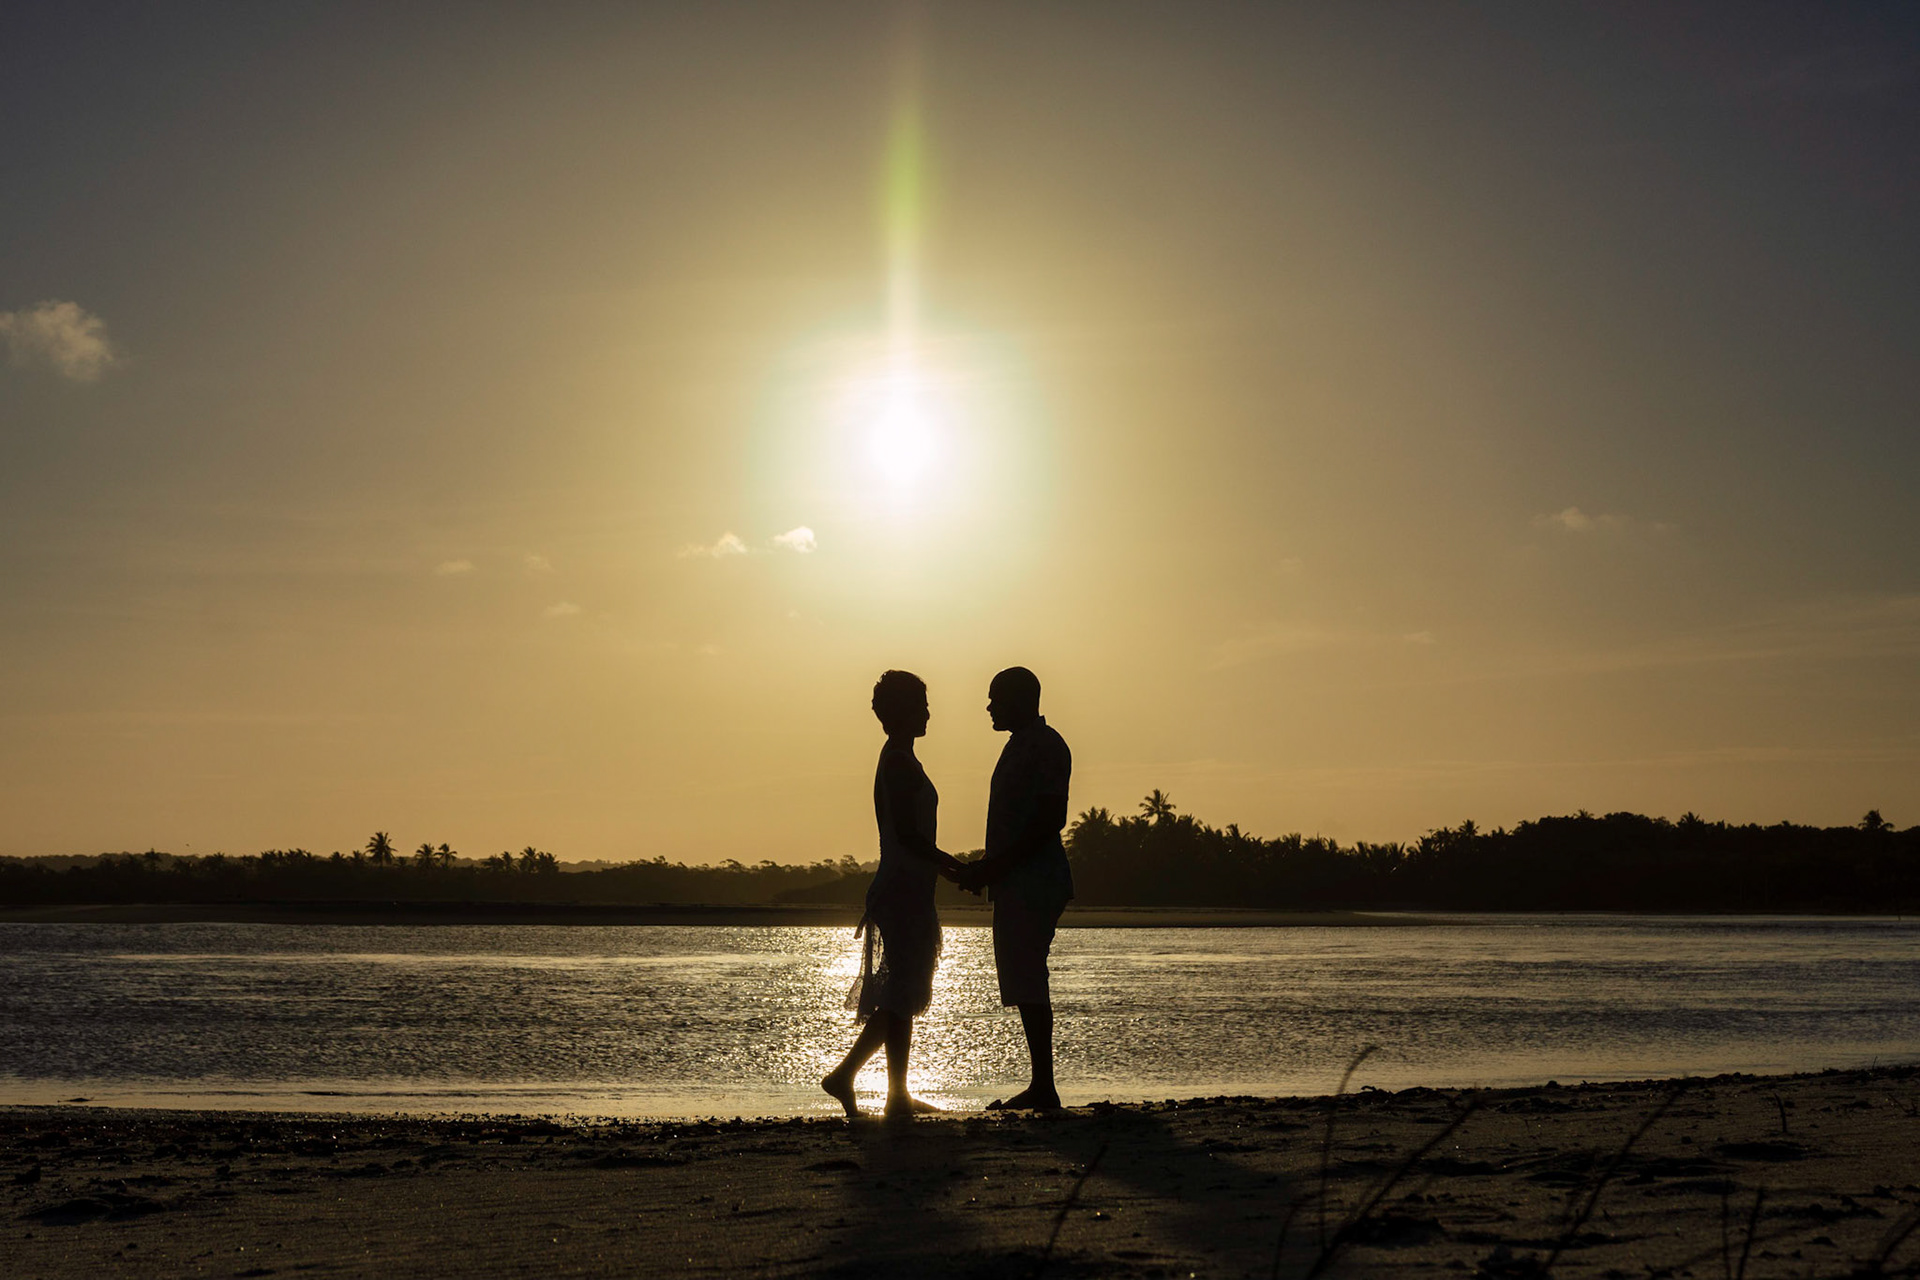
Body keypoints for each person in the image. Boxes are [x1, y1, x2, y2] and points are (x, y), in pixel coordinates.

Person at [822, 669, 967, 1118]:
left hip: (908, 887)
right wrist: (957, 867)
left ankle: (896, 1095)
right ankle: (846, 1076)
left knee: (903, 992)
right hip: (903, 888)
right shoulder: (899, 762)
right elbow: (908, 835)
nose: (929, 712)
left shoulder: (899, 758)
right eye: (922, 704)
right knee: (902, 992)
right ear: (904, 711)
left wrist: (946, 869)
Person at [955, 666, 1073, 1111]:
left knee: (1028, 975)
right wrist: (988, 868)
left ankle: (1044, 1085)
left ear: (1021, 699)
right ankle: (1042, 1083)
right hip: (1015, 877)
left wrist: (995, 867)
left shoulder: (1045, 746)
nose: (989, 707)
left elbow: (1048, 821)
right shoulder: (1019, 746)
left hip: (1034, 878)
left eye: (995, 698)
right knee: (1025, 977)